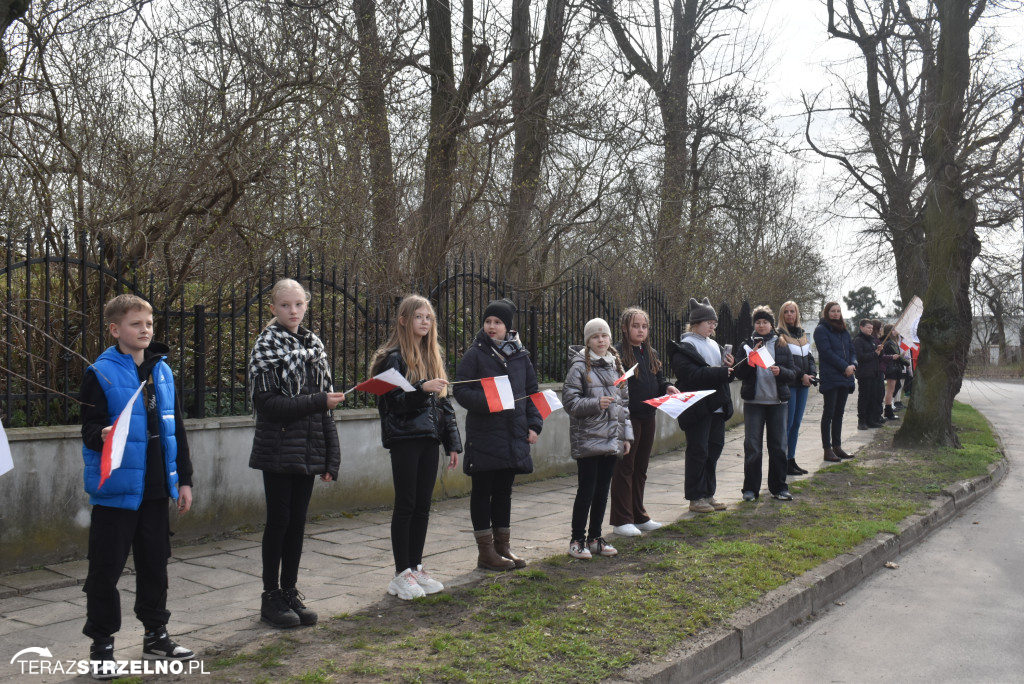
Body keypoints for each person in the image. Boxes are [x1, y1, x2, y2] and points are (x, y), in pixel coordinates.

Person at [80, 294, 196, 679]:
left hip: (157, 489)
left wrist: (184, 480)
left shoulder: (163, 370)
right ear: (115, 330)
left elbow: (175, 427)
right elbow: (88, 428)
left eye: (149, 324)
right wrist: (103, 433)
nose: (145, 330)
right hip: (117, 489)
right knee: (105, 570)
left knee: (154, 565)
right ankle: (102, 646)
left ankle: (155, 633)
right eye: (136, 324)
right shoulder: (100, 372)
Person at [248, 279, 344, 628]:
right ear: (273, 308)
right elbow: (268, 404)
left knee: (298, 523)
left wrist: (331, 457)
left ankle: (290, 591)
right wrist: (318, 401)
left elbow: (326, 410)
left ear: (306, 306)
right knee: (279, 522)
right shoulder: (266, 346)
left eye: (298, 304)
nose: (292, 311)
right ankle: (270, 596)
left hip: (309, 447)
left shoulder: (314, 346)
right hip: (276, 448)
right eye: (285, 305)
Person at [371, 295, 462, 599]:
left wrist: (452, 443)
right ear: (403, 320)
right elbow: (391, 404)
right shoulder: (391, 358)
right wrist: (421, 389)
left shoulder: (432, 355)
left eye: (429, 317)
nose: (425, 322)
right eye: (418, 316)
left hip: (429, 438)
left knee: (423, 505)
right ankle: (401, 574)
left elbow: (444, 406)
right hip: (404, 438)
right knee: (406, 504)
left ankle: (416, 566)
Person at [454, 299, 542, 571]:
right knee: (482, 491)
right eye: (488, 321)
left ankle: (503, 547)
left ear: (508, 327)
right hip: (485, 434)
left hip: (514, 433)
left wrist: (534, 425)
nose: (491, 327)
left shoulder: (520, 356)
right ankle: (486, 553)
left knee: (504, 491)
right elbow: (461, 391)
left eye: (498, 322)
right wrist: (489, 401)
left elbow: (532, 392)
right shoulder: (475, 354)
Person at [563, 318, 633, 559]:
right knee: (587, 490)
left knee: (603, 490)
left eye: (604, 335)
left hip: (612, 439)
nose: (600, 340)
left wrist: (626, 437)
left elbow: (624, 405)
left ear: (610, 339)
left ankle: (595, 537)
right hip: (588, 438)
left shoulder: (617, 366)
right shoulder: (579, 367)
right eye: (595, 337)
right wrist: (595, 403)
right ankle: (577, 539)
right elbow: (570, 402)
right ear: (588, 341)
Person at [610, 307, 678, 536]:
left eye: (644, 326)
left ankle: (639, 515)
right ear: (624, 328)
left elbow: (659, 380)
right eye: (635, 326)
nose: (640, 330)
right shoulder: (616, 353)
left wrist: (667, 387)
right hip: (627, 418)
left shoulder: (651, 353)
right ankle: (621, 520)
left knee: (641, 468)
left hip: (649, 415)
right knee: (624, 467)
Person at [667, 298, 735, 514]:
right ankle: (695, 497)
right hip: (698, 408)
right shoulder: (685, 346)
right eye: (709, 322)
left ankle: (708, 493)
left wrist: (728, 368)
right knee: (698, 451)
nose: (713, 326)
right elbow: (691, 375)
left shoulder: (714, 344)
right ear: (695, 322)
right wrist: (720, 372)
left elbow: (717, 374)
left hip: (716, 405)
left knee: (713, 450)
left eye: (714, 323)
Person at [734, 306, 798, 502]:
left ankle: (779, 488)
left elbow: (793, 372)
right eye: (758, 322)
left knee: (778, 446)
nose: (761, 325)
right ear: (754, 324)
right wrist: (749, 362)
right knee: (753, 447)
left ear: (771, 324)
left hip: (777, 402)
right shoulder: (746, 345)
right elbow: (738, 373)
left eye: (765, 322)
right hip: (754, 402)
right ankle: (750, 489)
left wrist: (782, 372)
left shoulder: (781, 343)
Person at [777, 301, 817, 477]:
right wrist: (802, 375)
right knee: (789, 423)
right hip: (790, 383)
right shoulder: (780, 335)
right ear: (782, 314)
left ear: (797, 314)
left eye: (792, 311)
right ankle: (783, 461)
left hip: (803, 384)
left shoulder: (802, 334)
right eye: (786, 312)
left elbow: (808, 356)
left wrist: (813, 373)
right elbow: (787, 362)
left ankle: (791, 459)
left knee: (797, 424)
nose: (790, 314)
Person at [813, 302, 856, 462]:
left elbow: (852, 350)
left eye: (838, 311)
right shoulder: (821, 330)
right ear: (826, 312)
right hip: (831, 376)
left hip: (846, 376)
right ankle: (827, 449)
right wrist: (845, 366)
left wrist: (853, 364)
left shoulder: (844, 330)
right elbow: (826, 352)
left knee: (839, 413)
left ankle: (837, 446)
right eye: (832, 311)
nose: (836, 314)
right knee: (829, 413)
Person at [853, 319, 885, 430]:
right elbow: (860, 357)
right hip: (864, 373)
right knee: (864, 398)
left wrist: (880, 351)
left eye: (871, 328)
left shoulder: (872, 340)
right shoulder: (858, 340)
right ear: (861, 327)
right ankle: (862, 421)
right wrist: (874, 353)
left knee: (873, 397)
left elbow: (877, 357)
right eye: (868, 328)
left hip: (874, 373)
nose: (870, 330)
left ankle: (870, 419)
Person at [880, 323, 908, 420]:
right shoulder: (889, 343)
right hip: (891, 368)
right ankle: (888, 410)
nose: (895, 331)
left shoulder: (893, 342)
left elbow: (898, 355)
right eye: (893, 330)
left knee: (896, 387)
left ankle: (889, 406)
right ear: (889, 331)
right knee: (891, 389)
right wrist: (907, 363)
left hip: (895, 367)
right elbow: (895, 356)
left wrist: (902, 356)